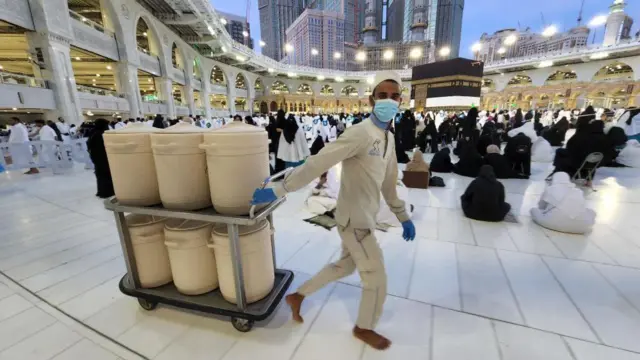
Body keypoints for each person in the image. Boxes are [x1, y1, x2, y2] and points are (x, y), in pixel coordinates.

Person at [251, 71, 416, 351]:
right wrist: (281, 189)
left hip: (365, 216)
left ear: (401, 100)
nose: (388, 101)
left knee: (345, 265)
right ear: (371, 99)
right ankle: (364, 327)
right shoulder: (360, 133)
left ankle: (298, 296)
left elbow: (389, 187)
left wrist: (403, 217)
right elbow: (319, 162)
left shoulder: (387, 138)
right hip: (355, 221)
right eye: (382, 96)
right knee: (376, 278)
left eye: (394, 96)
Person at [531, 172, 595, 234]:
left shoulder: (550, 189)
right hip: (581, 228)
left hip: (552, 223)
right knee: (591, 212)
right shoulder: (578, 191)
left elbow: (541, 206)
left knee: (533, 210)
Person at [87, 118, 114, 198]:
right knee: (105, 174)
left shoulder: (93, 132)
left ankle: (101, 191)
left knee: (100, 174)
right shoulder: (100, 134)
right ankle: (106, 192)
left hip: (96, 157)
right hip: (102, 157)